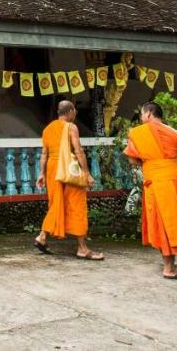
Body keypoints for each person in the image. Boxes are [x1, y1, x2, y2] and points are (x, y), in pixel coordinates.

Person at [125, 101, 177, 279]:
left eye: (142, 114)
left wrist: (151, 162)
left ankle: (168, 266)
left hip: (154, 181)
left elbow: (133, 161)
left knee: (161, 222)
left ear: (148, 113)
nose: (141, 118)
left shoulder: (137, 133)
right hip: (173, 180)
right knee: (171, 221)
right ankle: (169, 266)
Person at [34, 100, 104, 260]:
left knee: (57, 203)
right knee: (76, 202)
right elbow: (78, 151)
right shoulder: (71, 127)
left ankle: (42, 236)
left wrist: (41, 173)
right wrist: (87, 173)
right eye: (75, 111)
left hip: (52, 167)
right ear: (70, 111)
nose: (76, 114)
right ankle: (82, 248)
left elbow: (44, 154)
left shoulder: (48, 129)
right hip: (67, 168)